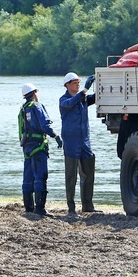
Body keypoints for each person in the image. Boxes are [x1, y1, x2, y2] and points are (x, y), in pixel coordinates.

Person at [18, 83, 62, 216]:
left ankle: (29, 208)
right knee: (40, 176)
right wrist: (55, 136)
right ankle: (40, 208)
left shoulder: (24, 108)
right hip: (38, 146)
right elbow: (44, 125)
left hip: (27, 147)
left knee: (28, 177)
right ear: (34, 93)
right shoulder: (37, 106)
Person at [58, 72, 97, 216]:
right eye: (74, 82)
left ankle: (88, 205)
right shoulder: (64, 100)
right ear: (67, 85)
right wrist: (85, 90)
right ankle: (71, 207)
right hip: (71, 142)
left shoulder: (83, 99)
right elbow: (71, 102)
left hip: (84, 141)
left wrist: (99, 86)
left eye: (78, 82)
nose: (77, 84)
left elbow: (94, 98)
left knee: (88, 173)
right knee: (71, 176)